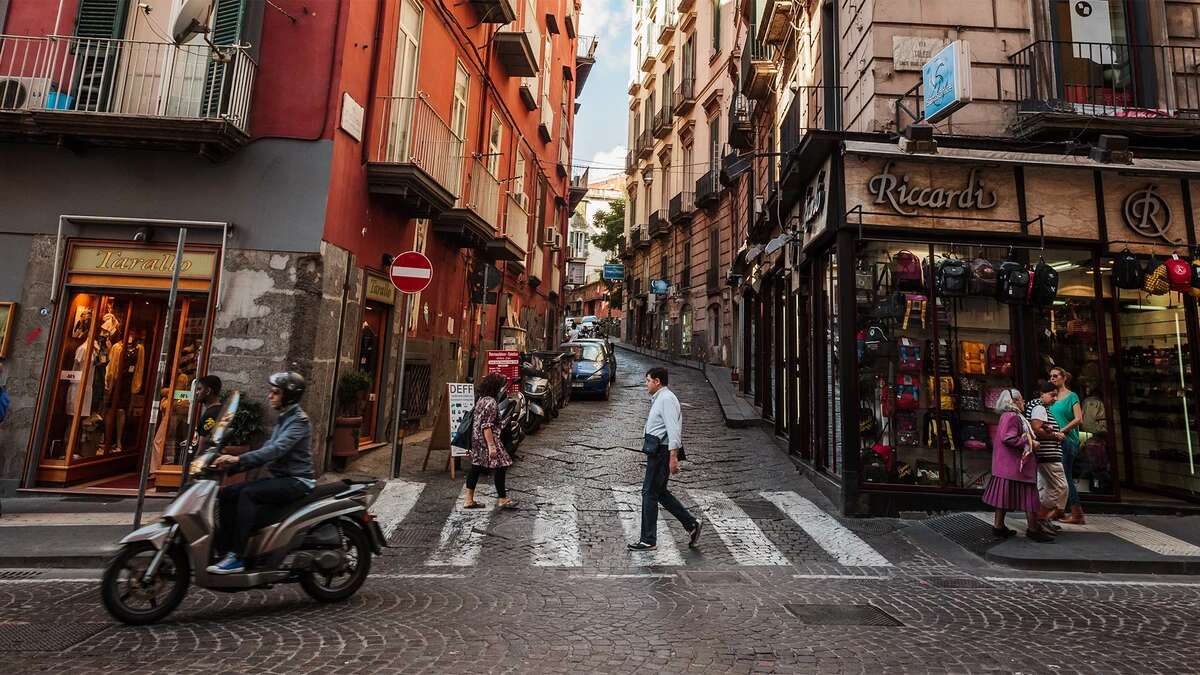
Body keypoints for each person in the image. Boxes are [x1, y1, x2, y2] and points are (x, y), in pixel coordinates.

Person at [207, 372, 314, 574]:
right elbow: (266, 448)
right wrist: (231, 464)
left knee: (249, 494)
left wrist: (238, 459)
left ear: (289, 396)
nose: (269, 396)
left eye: (275, 392)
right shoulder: (284, 418)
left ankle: (238, 557)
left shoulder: (299, 421)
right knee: (227, 493)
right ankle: (224, 549)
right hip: (281, 478)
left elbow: (276, 450)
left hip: (297, 480)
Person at [628, 367, 702, 551]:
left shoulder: (667, 399)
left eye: (648, 380)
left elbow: (673, 429)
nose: (646, 384)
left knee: (649, 493)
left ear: (657, 381)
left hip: (661, 452)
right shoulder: (660, 398)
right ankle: (691, 524)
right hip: (657, 451)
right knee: (659, 493)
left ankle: (648, 539)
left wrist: (673, 457)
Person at [983, 388, 1053, 543]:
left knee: (1003, 498)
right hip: (1016, 466)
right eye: (1021, 399)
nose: (1024, 402)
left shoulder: (1008, 416)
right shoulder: (1013, 417)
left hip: (1007, 466)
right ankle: (1033, 529)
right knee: (1030, 497)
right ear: (1013, 401)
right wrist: (1031, 443)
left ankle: (999, 527)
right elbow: (1009, 438)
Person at [463, 372, 517, 510]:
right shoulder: (491, 403)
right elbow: (486, 426)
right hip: (487, 439)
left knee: (476, 466)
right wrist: (492, 447)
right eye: (500, 386)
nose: (501, 388)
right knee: (502, 465)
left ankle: (469, 499)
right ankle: (503, 499)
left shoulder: (481, 399)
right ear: (495, 387)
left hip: (476, 438)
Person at [1026, 380, 1067, 531]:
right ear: (1042, 394)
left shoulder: (1038, 407)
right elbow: (1036, 429)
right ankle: (1041, 517)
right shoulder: (1039, 408)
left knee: (1046, 487)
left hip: (1046, 455)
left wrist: (1048, 428)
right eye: (1052, 395)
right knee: (1060, 487)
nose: (1055, 399)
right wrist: (1055, 436)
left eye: (1056, 395)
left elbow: (1039, 426)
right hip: (1049, 455)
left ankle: (1041, 519)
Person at [1049, 366, 1086, 525]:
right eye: (1051, 376)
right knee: (1057, 477)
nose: (1053, 378)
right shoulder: (1051, 397)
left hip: (1066, 440)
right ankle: (1059, 510)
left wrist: (1062, 431)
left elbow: (1079, 419)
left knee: (1065, 476)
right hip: (1053, 441)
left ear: (1064, 377)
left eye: (1056, 375)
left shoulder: (1072, 396)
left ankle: (1077, 513)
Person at [192, 375, 224, 453]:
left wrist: (196, 462)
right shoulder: (220, 410)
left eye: (199, 389)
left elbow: (203, 445)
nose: (196, 392)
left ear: (208, 391)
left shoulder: (211, 414)